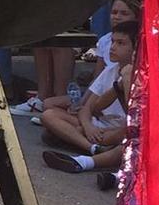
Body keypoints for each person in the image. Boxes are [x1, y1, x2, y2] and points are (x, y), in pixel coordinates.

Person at [40, 20, 133, 178]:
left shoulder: (141, 75)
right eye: (112, 42)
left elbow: (134, 117)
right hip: (100, 125)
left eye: (121, 43)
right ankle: (93, 148)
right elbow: (90, 108)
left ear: (136, 49)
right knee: (49, 115)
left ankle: (84, 160)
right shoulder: (111, 71)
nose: (113, 47)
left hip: (122, 129)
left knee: (126, 140)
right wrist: (89, 127)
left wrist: (125, 81)